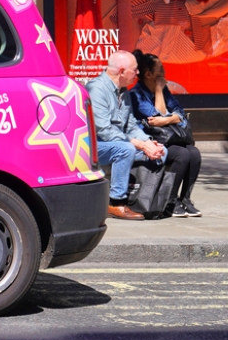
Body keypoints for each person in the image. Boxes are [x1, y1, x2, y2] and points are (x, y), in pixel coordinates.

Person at [87, 50, 168, 220]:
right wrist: (140, 145)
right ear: (122, 71)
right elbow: (104, 131)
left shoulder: (123, 92)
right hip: (93, 147)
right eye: (134, 70)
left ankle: (145, 201)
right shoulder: (96, 89)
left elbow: (131, 125)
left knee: (162, 151)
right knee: (125, 149)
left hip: (119, 142)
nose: (138, 73)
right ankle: (116, 203)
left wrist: (149, 143)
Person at [129, 50, 203, 217]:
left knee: (194, 153)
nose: (164, 73)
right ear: (148, 74)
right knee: (182, 155)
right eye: (160, 69)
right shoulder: (136, 95)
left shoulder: (163, 90)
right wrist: (160, 93)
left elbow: (179, 113)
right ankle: (169, 201)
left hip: (169, 139)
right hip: (150, 142)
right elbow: (158, 116)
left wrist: (167, 119)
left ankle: (184, 199)